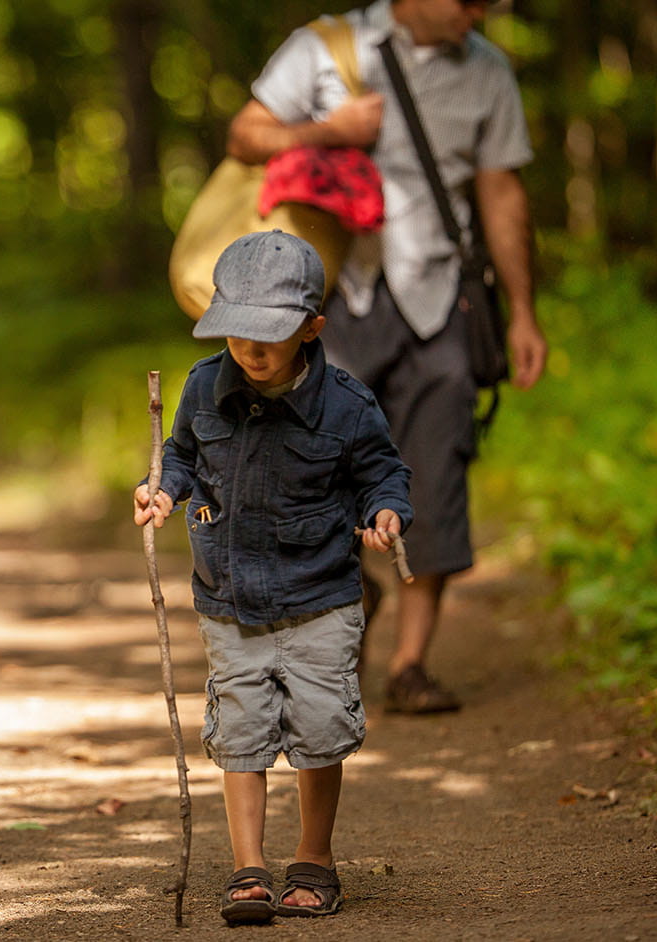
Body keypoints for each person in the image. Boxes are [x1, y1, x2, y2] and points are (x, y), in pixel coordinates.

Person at [223, 0, 549, 715]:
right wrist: (326, 129)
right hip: (339, 299)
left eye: (486, 0)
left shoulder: (489, 74)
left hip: (443, 302)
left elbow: (503, 194)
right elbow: (243, 136)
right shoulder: (328, 48)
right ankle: (349, 594)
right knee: (308, 468)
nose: (477, 12)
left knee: (435, 477)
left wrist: (522, 313)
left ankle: (409, 666)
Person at [134, 230, 412, 924]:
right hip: (229, 599)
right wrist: (162, 489)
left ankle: (313, 856)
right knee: (241, 731)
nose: (251, 351)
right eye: (236, 333)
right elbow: (182, 458)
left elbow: (383, 471)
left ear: (313, 329)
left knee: (319, 729)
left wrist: (384, 510)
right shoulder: (204, 388)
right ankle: (247, 867)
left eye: (270, 336)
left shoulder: (346, 404)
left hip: (320, 596)